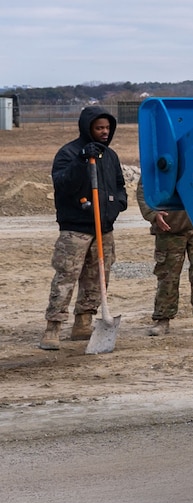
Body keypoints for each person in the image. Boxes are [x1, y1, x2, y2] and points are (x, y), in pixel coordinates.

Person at [43, 105, 128, 350]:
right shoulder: (69, 153)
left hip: (104, 228)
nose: (104, 132)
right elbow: (63, 184)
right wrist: (82, 160)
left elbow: (119, 185)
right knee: (65, 277)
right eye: (99, 127)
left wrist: (119, 203)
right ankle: (53, 327)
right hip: (76, 229)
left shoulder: (110, 156)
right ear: (87, 127)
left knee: (97, 277)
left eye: (107, 128)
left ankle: (84, 322)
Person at [141, 179, 193, 336]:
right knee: (168, 276)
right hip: (169, 229)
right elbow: (144, 190)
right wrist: (153, 215)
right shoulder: (163, 158)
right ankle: (163, 319)